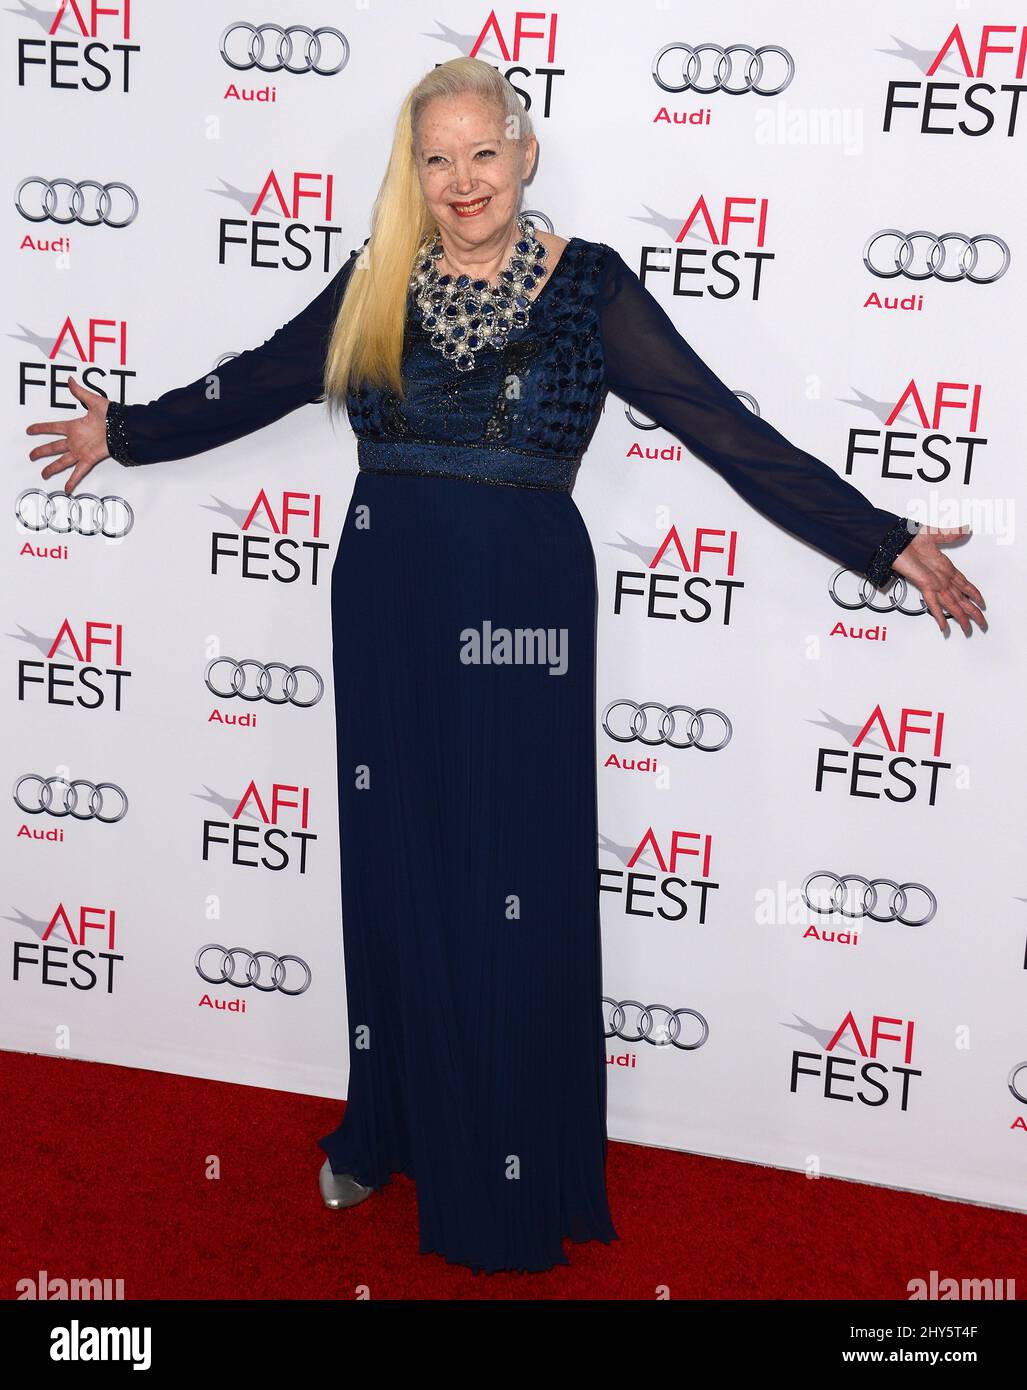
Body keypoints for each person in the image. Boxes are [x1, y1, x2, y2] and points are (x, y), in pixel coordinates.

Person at [25, 57, 985, 1276]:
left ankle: (513, 1144)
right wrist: (126, 430)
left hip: (524, 603)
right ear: (413, 172)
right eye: (437, 158)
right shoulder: (376, 280)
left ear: (525, 155)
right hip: (387, 590)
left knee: (512, 867)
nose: (463, 180)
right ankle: (388, 1125)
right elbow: (259, 377)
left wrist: (880, 538)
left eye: (483, 152)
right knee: (399, 867)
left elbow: (722, 426)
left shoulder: (589, 286)